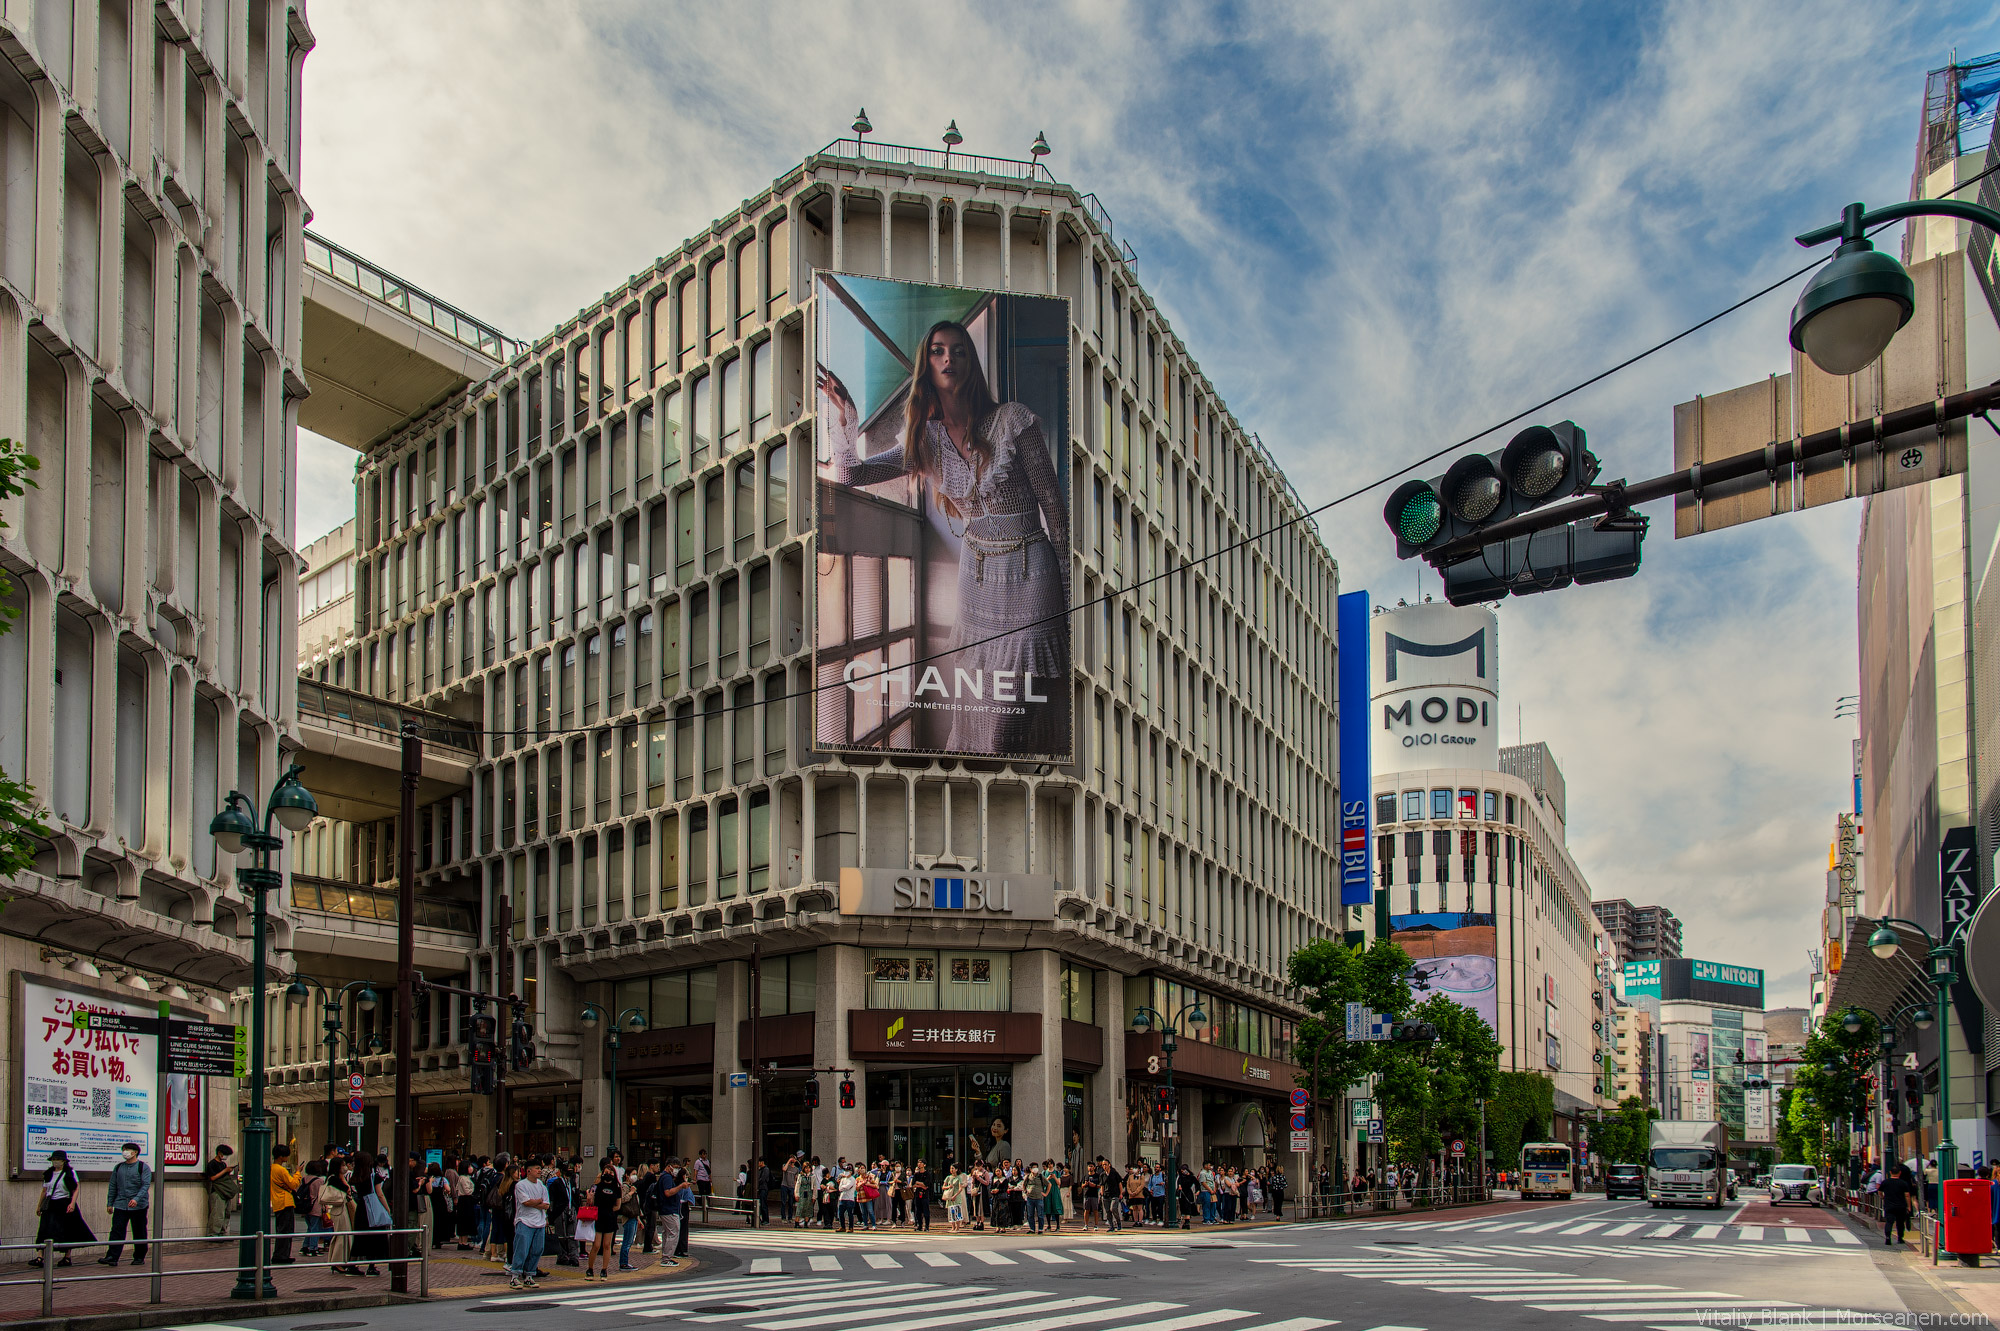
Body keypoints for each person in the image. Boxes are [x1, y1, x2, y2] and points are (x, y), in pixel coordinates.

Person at [819, 319, 1069, 758]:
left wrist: (1072, 597)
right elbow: (851, 475)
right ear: (926, 365)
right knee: (983, 708)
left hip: (1033, 574)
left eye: (958, 350)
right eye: (937, 350)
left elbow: (1054, 507)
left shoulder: (1013, 420)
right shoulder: (924, 440)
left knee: (1017, 713)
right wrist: (845, 418)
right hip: (978, 582)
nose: (948, 358)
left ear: (971, 363)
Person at [99, 1142, 152, 1267]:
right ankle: (112, 1256)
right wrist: (109, 1203)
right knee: (116, 1230)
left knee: (139, 1231)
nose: (125, 1152)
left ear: (135, 1152)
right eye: (124, 1150)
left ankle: (139, 1257)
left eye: (127, 1150)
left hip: (139, 1205)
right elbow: (113, 1186)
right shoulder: (118, 1167)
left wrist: (136, 1199)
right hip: (121, 1204)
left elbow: (145, 1185)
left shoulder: (143, 1167)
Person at [508, 1159, 550, 1291]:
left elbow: (547, 1205)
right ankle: (515, 1275)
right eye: (537, 1168)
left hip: (540, 1222)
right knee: (522, 1249)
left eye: (540, 1168)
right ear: (528, 1171)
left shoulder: (542, 1186)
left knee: (537, 1249)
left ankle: (529, 1275)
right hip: (524, 1221)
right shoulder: (521, 1185)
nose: (539, 1171)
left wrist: (535, 1203)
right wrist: (538, 1202)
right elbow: (525, 1202)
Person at [319, 1158, 357, 1275]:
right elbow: (346, 1189)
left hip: (340, 1209)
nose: (345, 1167)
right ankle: (337, 1262)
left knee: (342, 1235)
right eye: (343, 1165)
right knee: (342, 1236)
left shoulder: (336, 1178)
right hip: (339, 1210)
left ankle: (338, 1261)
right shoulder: (334, 1179)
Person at [584, 1161, 621, 1279]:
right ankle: (590, 1269)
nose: (609, 1174)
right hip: (597, 1217)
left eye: (611, 1172)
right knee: (596, 1245)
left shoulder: (617, 1187)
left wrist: (610, 1211)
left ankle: (604, 1270)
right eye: (606, 1171)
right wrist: (589, 1199)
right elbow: (590, 1202)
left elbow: (618, 1205)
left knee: (607, 1245)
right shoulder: (596, 1186)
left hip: (610, 1218)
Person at [201, 1144, 238, 1239]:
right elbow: (212, 1177)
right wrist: (225, 1171)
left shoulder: (223, 1164)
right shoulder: (212, 1164)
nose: (225, 1157)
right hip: (217, 1191)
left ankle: (222, 1232)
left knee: (226, 1213)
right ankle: (213, 1233)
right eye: (225, 1154)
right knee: (218, 1213)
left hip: (225, 1191)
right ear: (219, 1153)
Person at [1881, 1163, 1918, 1246]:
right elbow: (1907, 1195)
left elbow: (1880, 1191)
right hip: (1901, 1205)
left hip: (1889, 1205)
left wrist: (1883, 1197)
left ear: (1890, 1172)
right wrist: (1908, 1206)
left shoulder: (1885, 1182)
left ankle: (1887, 1237)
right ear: (1899, 1173)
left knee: (1889, 1222)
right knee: (1900, 1223)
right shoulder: (1903, 1183)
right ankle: (1900, 1238)